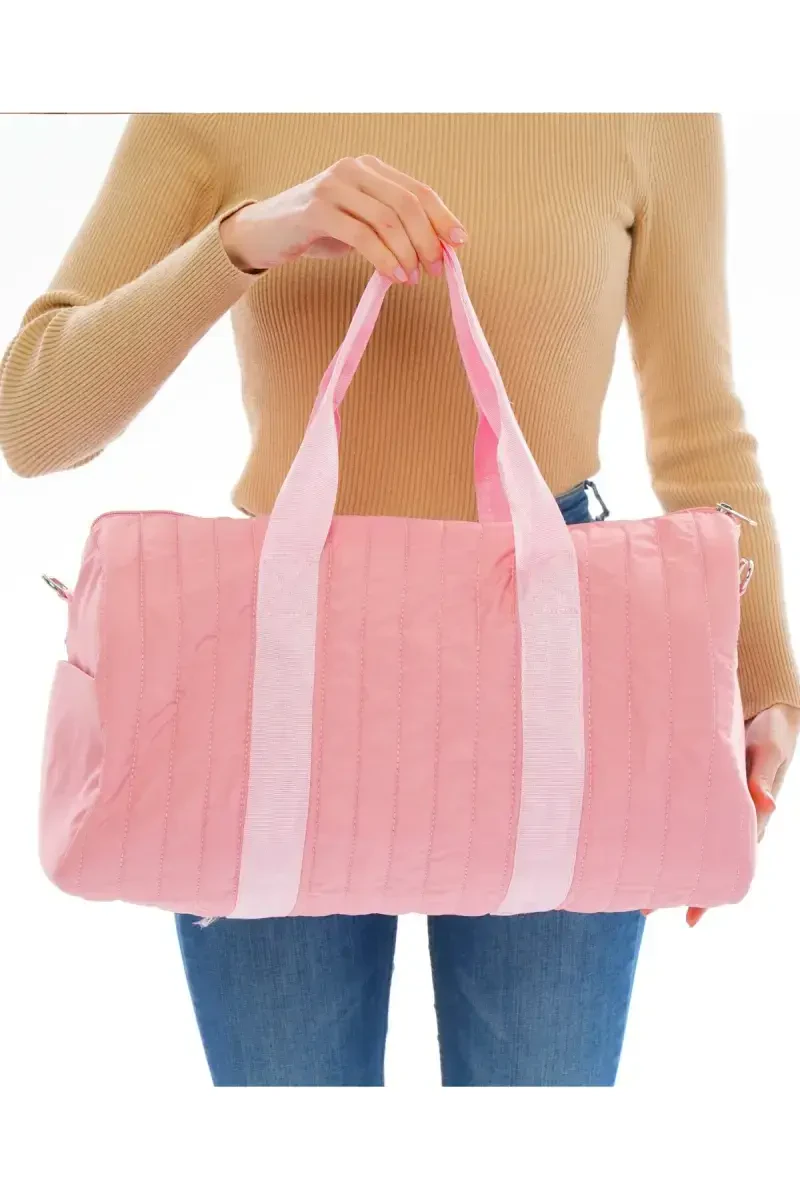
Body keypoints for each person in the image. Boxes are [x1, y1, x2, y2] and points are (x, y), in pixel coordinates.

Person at [1, 113, 797, 1087]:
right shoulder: (211, 101)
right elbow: (33, 423)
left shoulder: (648, 108)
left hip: (559, 646)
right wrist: (246, 240)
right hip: (276, 656)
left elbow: (700, 430)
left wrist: (766, 687)